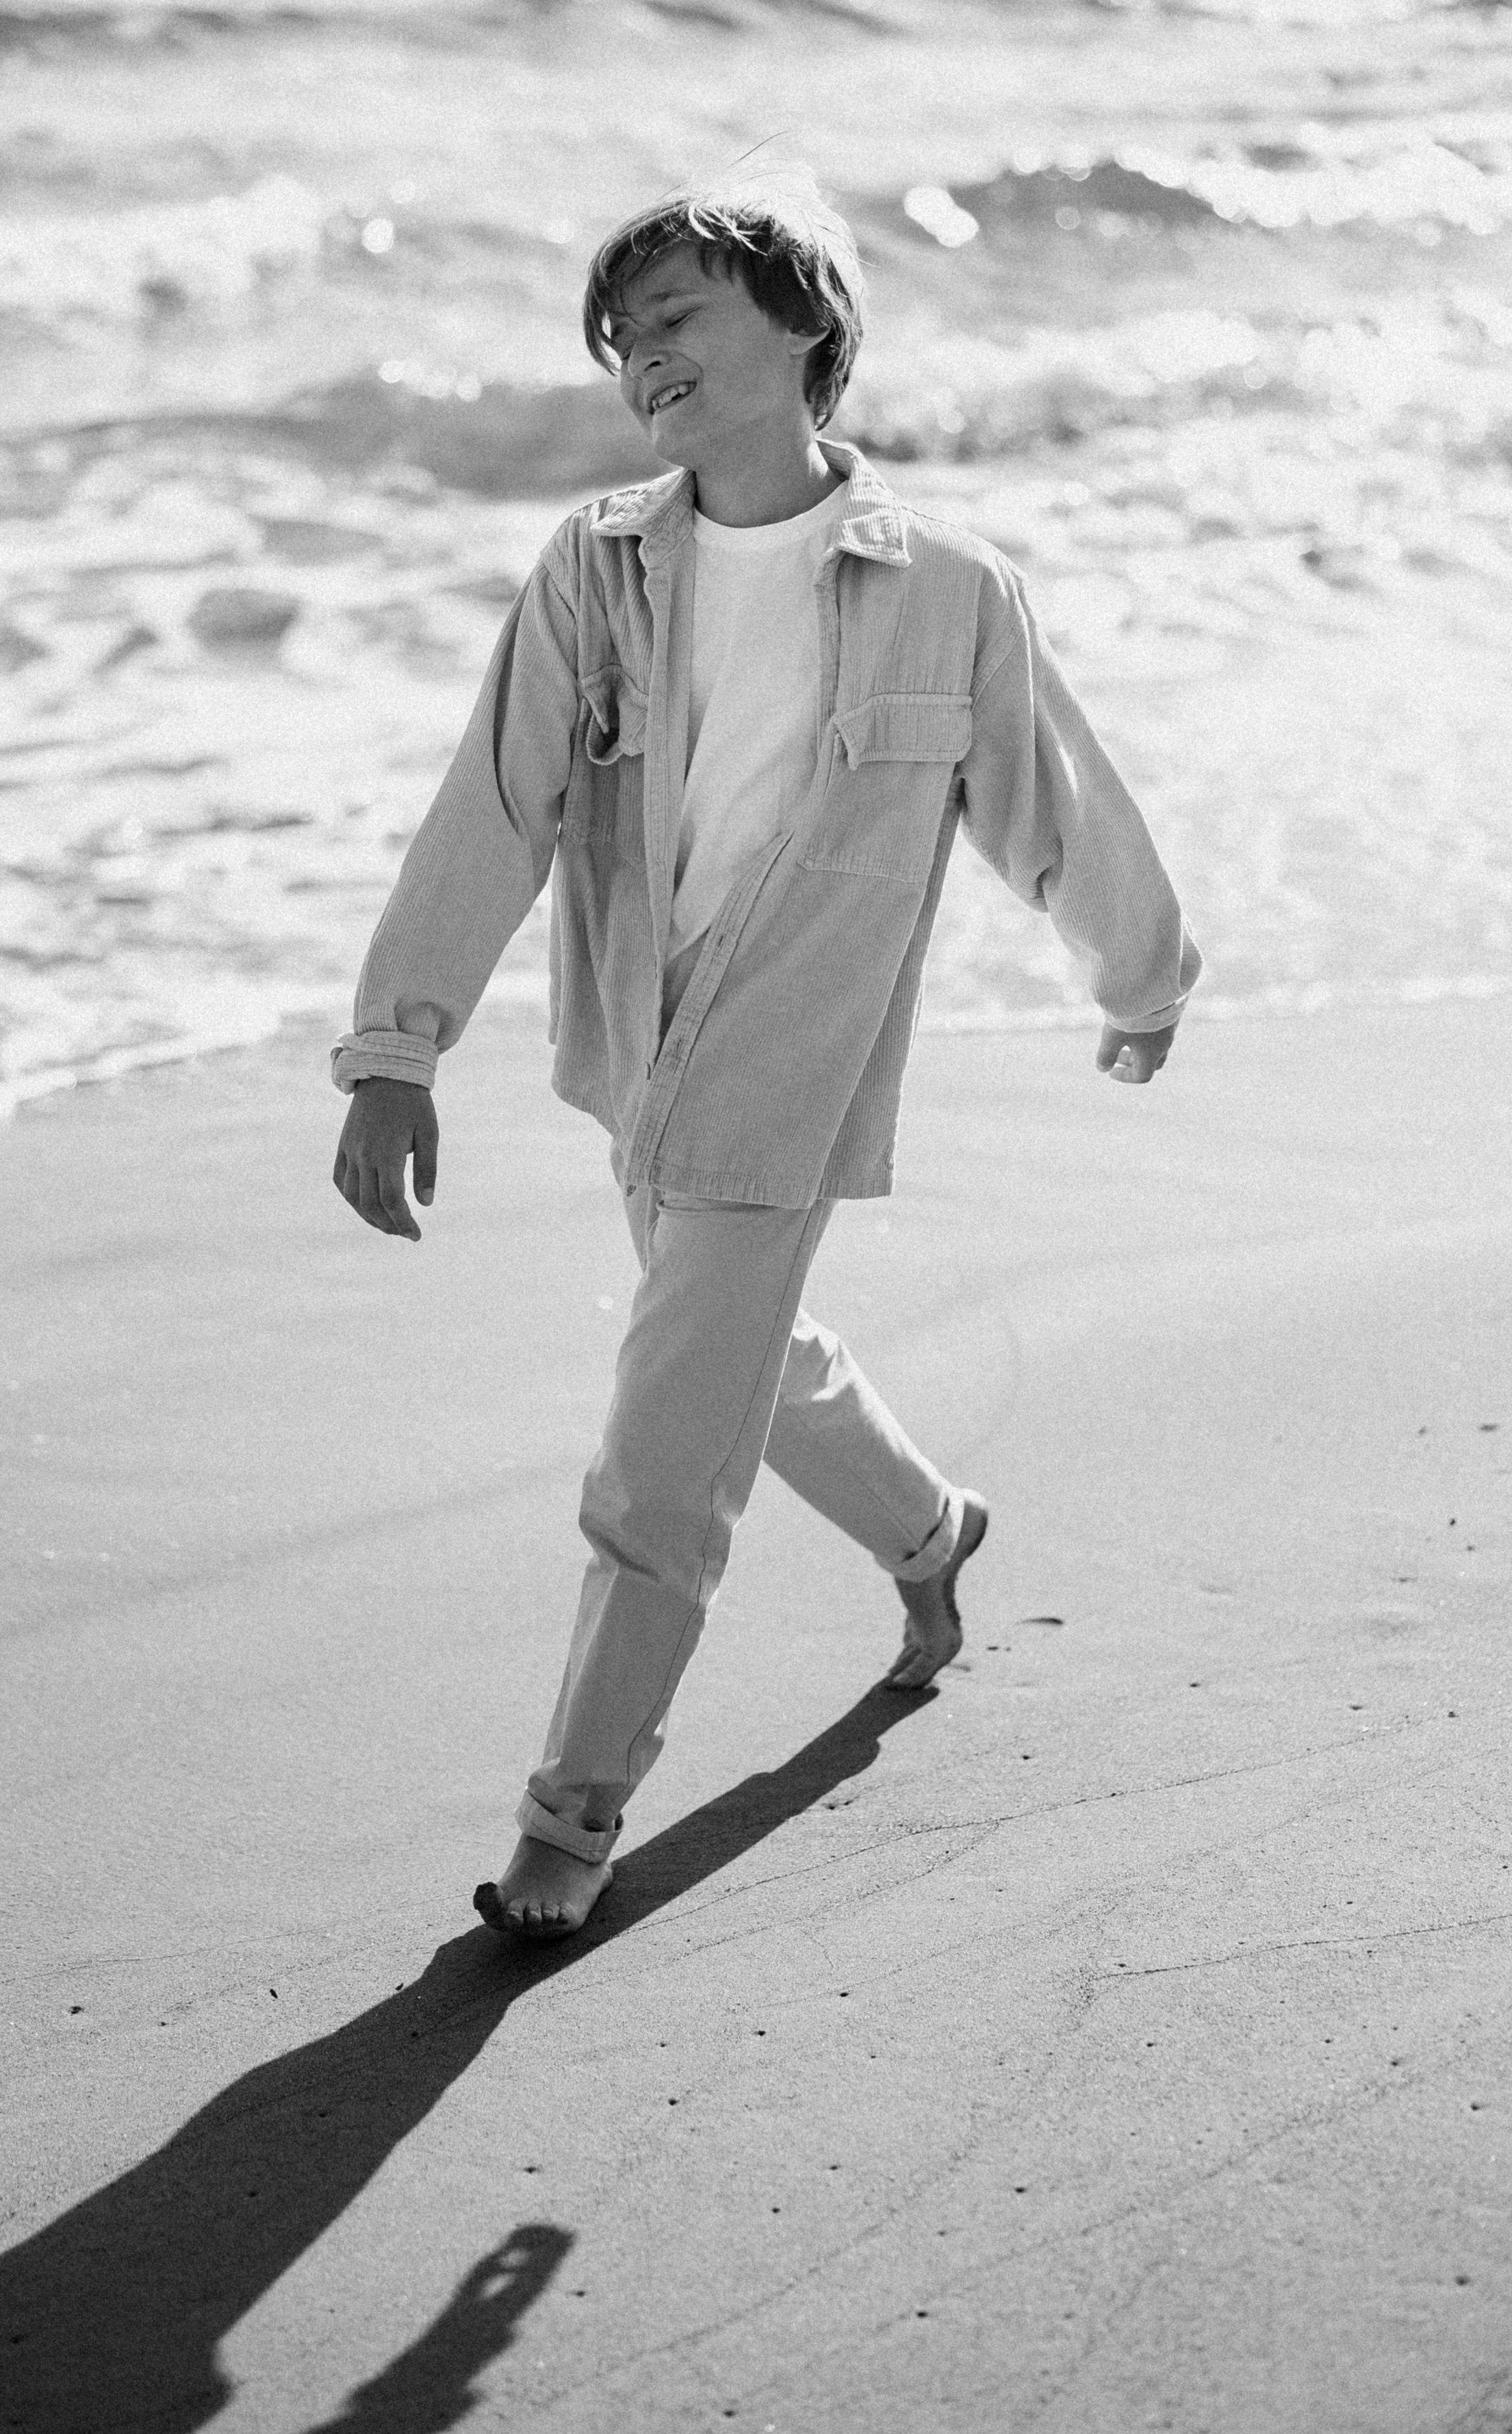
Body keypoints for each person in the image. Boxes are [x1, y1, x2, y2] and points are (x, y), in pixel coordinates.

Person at [332, 170, 1200, 1942]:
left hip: (790, 1072)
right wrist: (393, 1050)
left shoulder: (949, 589)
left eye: (675, 314)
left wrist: (1141, 977)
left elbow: (1049, 803)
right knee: (736, 1356)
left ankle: (570, 1827)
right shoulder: (597, 564)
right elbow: (496, 806)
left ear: (808, 321)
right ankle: (931, 1534)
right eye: (617, 336)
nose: (638, 354)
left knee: (662, 1466)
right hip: (636, 1054)